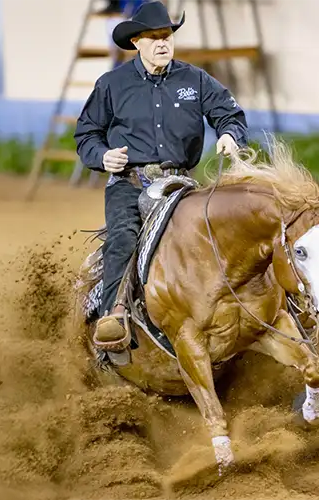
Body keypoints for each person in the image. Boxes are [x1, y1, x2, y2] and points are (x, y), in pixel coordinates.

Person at [74, 0, 248, 351]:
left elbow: (230, 115)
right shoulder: (112, 84)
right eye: (153, 37)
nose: (162, 42)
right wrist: (102, 157)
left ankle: (237, 314)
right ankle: (114, 317)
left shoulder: (195, 79)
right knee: (124, 238)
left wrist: (230, 136)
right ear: (136, 43)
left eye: (166, 35)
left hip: (180, 185)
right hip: (129, 183)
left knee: (220, 238)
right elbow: (86, 135)